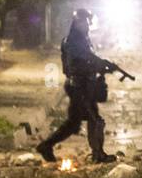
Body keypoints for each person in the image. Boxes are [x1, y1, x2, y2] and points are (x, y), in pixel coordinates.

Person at [37, 9, 131, 164]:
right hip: (78, 86)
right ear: (77, 23)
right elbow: (86, 60)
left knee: (75, 123)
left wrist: (103, 68)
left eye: (88, 22)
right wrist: (103, 64)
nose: (87, 25)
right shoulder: (73, 41)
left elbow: (87, 61)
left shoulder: (81, 39)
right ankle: (97, 154)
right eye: (85, 22)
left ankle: (47, 146)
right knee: (94, 120)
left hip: (83, 85)